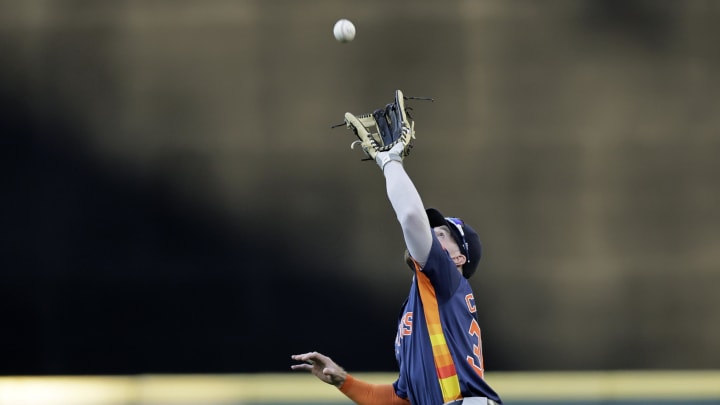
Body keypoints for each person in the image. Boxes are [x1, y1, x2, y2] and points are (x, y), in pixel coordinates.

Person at [292, 105, 503, 405]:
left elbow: (410, 217)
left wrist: (390, 161)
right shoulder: (423, 306)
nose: (430, 236)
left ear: (458, 259)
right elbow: (399, 399)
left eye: (440, 235)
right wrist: (345, 382)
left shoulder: (447, 282)